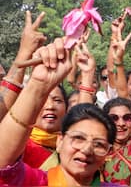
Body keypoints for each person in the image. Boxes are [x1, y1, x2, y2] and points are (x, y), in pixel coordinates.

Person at [0, 37, 119, 186]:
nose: (87, 149)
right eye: (78, 139)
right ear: (60, 141)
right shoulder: (34, 182)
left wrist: (88, 76)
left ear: (108, 154)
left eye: (99, 145)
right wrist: (38, 85)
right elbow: (3, 163)